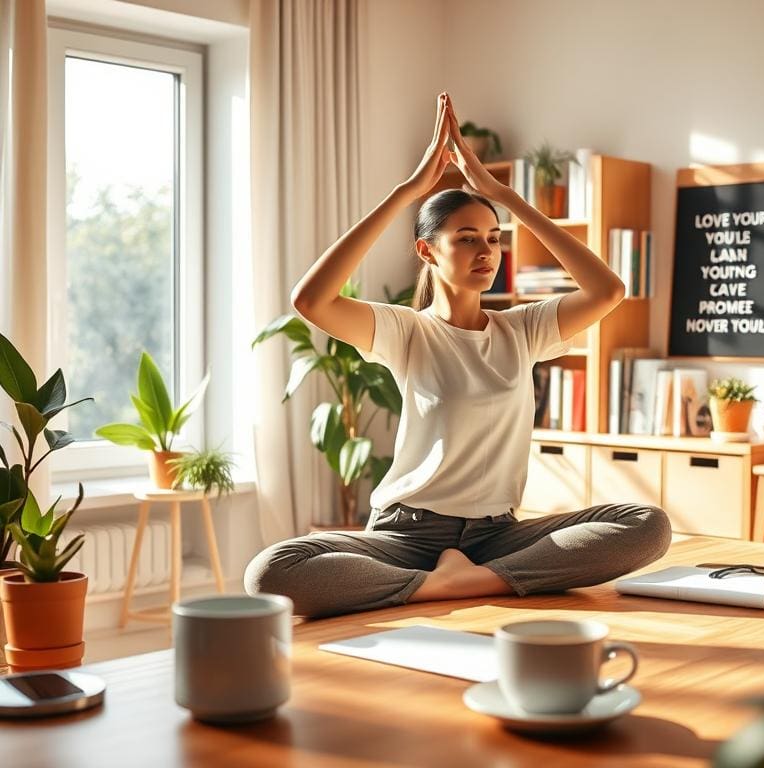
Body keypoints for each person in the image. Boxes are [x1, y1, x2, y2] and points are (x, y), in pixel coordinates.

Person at [244, 92, 671, 619]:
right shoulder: (407, 331)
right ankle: (447, 585)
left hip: (497, 535)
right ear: (427, 250)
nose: (487, 251)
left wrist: (505, 198)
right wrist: (406, 193)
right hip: (407, 535)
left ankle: (471, 580)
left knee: (647, 525)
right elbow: (311, 300)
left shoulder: (523, 329)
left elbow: (608, 290)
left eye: (494, 238)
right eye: (467, 239)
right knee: (272, 569)